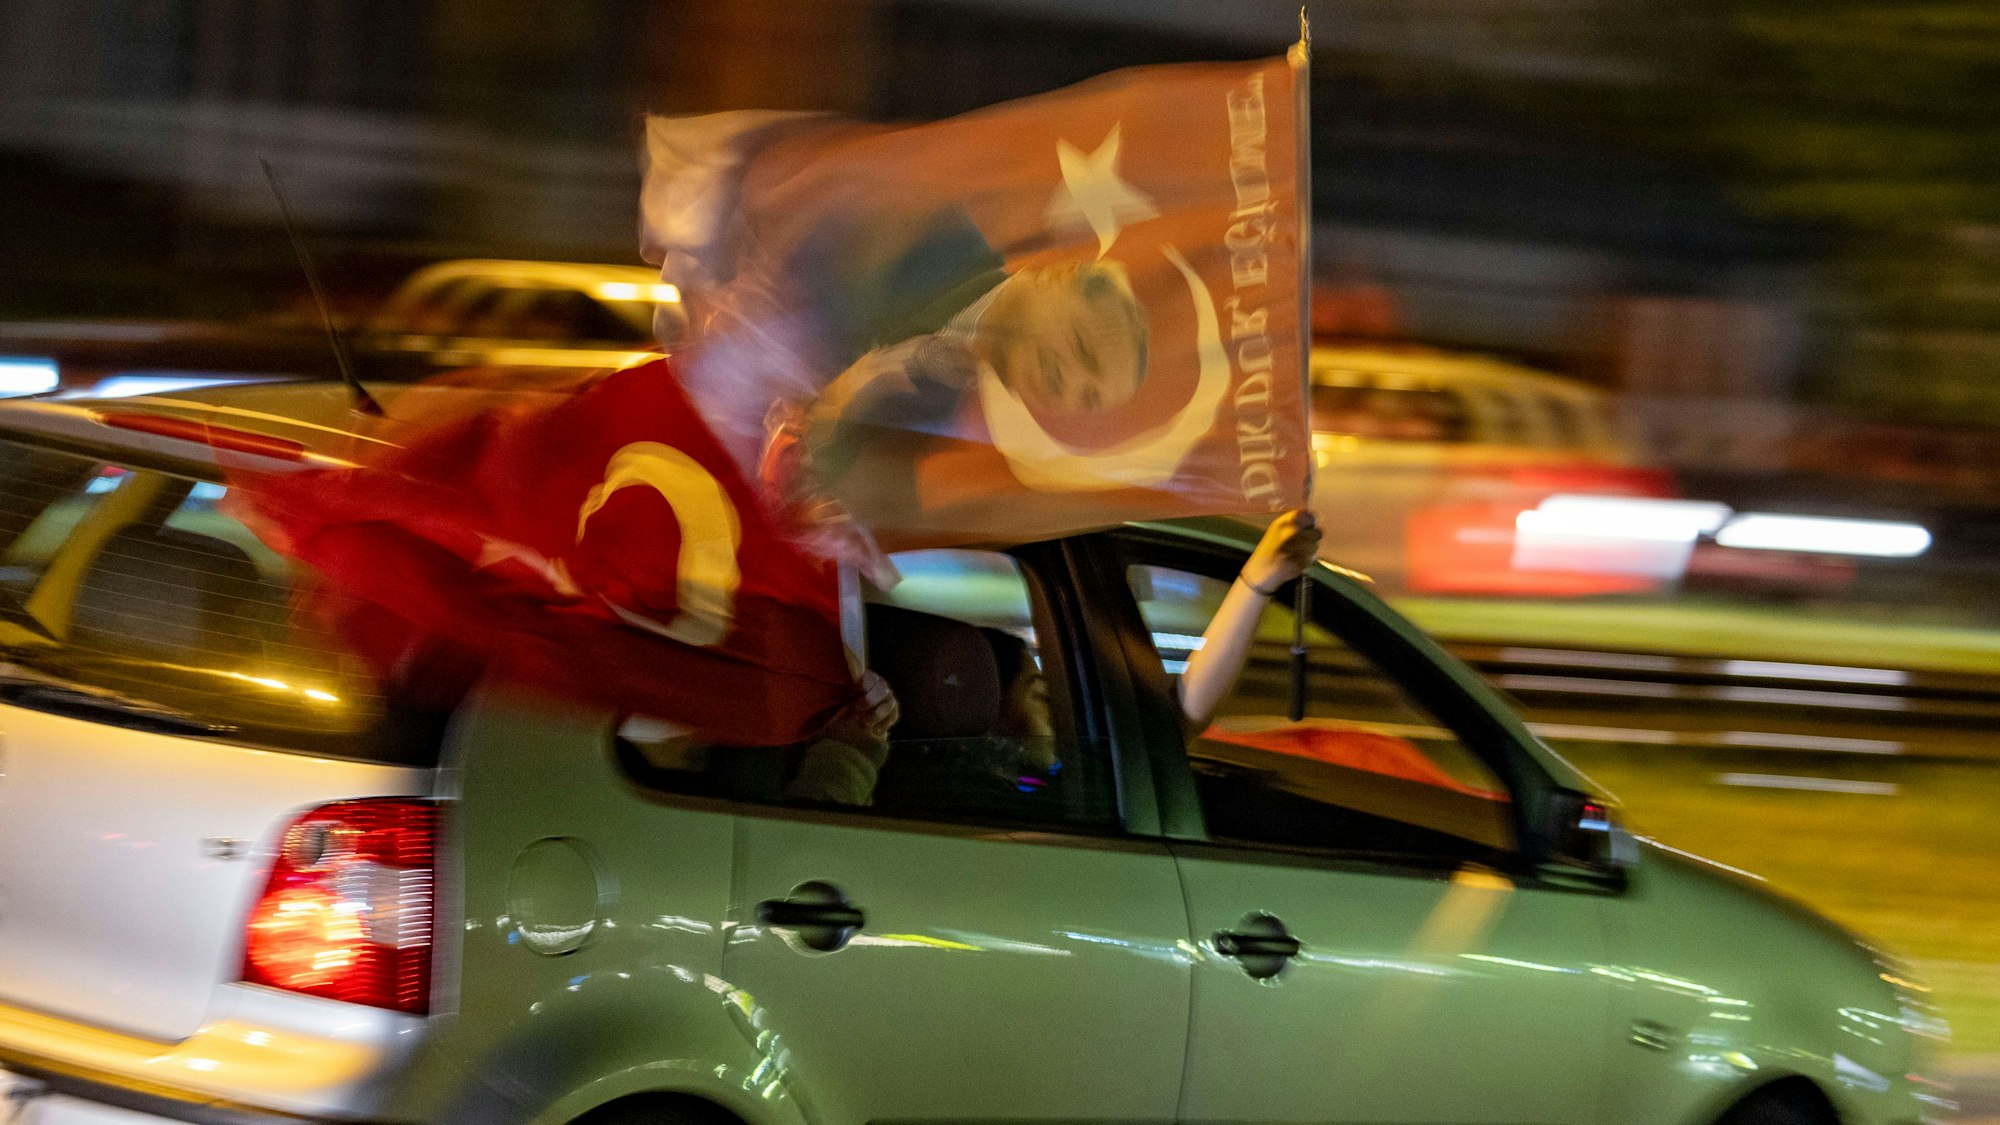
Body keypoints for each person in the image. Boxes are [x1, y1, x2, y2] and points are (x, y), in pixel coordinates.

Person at [783, 509, 1321, 805]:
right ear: (982, 705)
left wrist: (1257, 583)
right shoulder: (973, 801)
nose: (1061, 714)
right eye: (1040, 693)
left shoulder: (1048, 783)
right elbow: (1178, 724)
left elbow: (1173, 721)